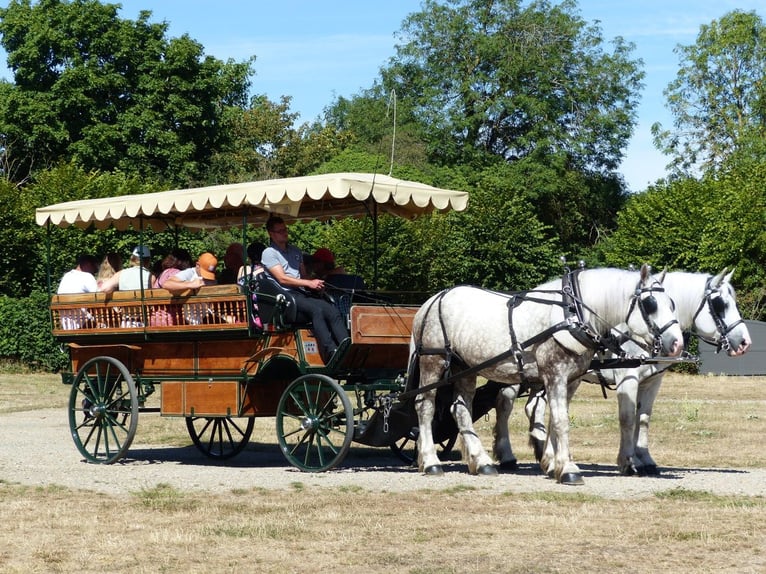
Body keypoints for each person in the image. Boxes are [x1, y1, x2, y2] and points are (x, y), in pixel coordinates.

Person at [262, 216, 348, 362]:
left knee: (332, 310)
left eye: (285, 229)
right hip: (285, 296)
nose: (285, 233)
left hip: (301, 293)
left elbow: (304, 276)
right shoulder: (269, 253)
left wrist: (316, 284)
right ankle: (331, 351)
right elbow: (282, 279)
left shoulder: (296, 251)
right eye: (280, 231)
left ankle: (346, 348)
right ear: (271, 234)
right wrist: (308, 284)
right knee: (316, 310)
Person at [237, 241, 266, 329]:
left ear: (249, 257)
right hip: (262, 313)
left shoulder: (243, 270)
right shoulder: (266, 272)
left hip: (246, 314)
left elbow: (239, 289)